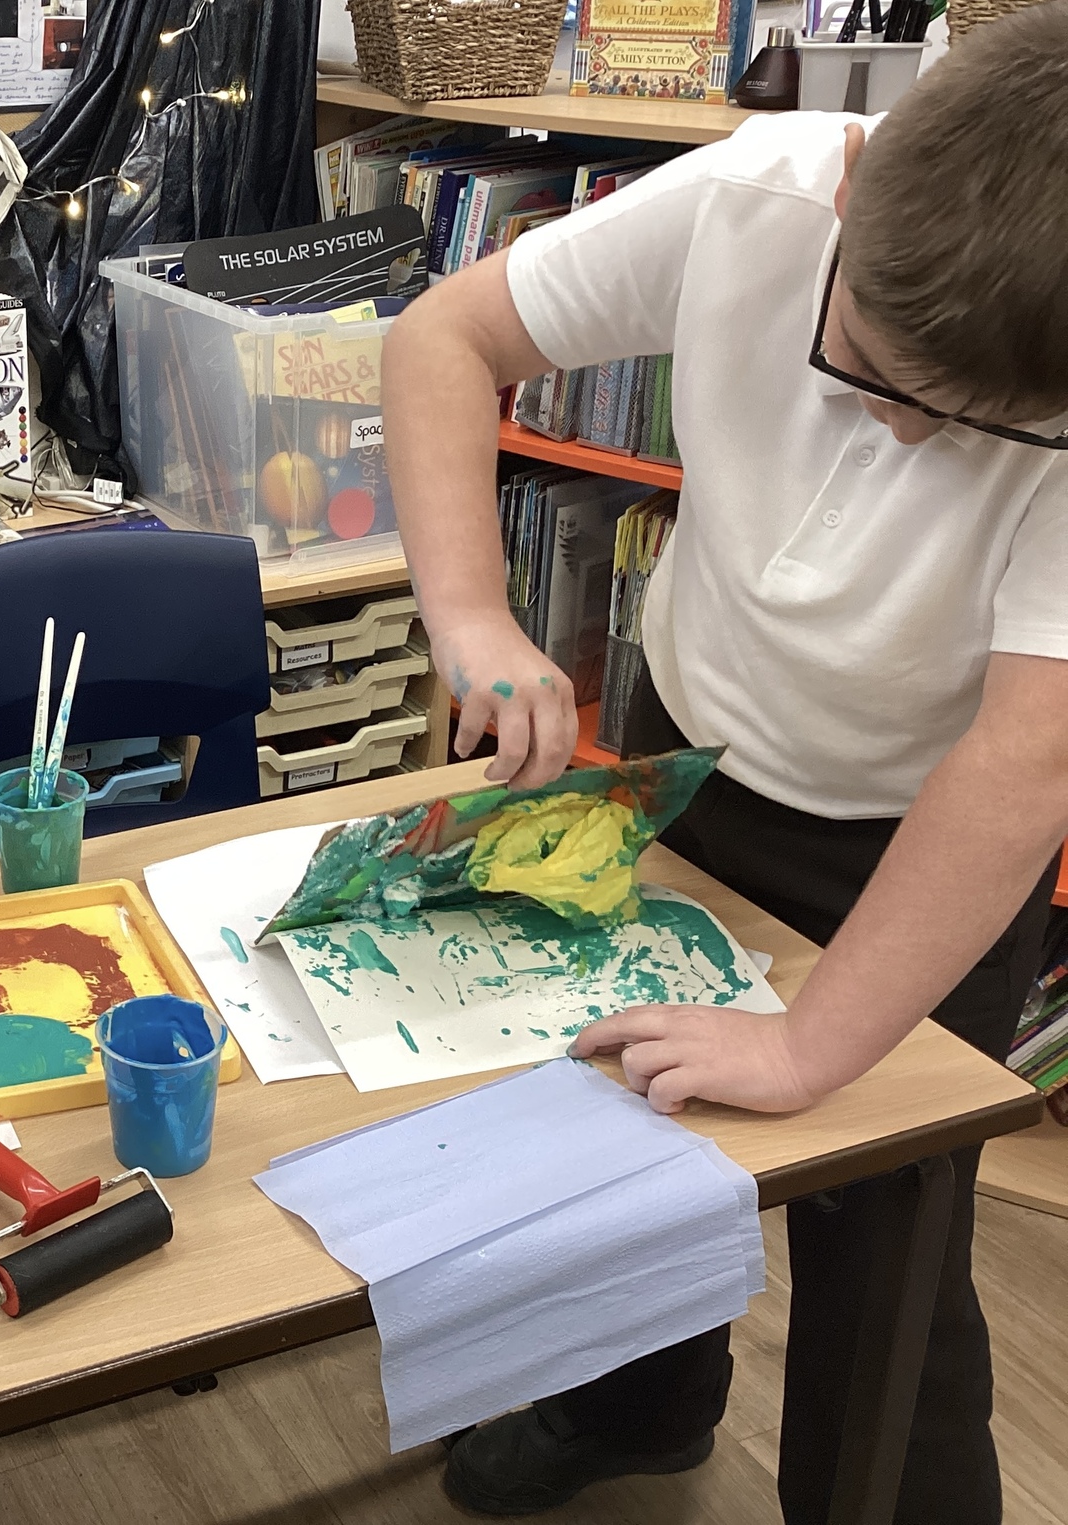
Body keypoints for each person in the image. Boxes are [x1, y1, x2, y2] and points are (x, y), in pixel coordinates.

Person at [379, 11, 1068, 1522]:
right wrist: (473, 614)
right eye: (862, 366)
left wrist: (810, 1047)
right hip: (696, 750)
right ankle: (636, 1410)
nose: (895, 429)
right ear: (850, 189)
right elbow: (443, 339)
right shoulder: (756, 189)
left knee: (887, 1233)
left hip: (923, 842)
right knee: (638, 1117)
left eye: (967, 426)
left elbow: (1025, 763)